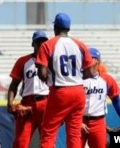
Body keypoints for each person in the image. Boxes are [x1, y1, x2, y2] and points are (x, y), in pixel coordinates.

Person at [35, 12, 95, 148]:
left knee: (49, 131)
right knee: (74, 133)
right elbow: (90, 72)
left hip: (60, 91)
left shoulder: (47, 45)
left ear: (55, 27)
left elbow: (42, 74)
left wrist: (49, 76)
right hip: (79, 91)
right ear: (68, 28)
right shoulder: (80, 44)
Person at [7, 31, 49, 148]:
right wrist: (10, 103)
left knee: (48, 143)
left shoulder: (52, 61)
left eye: (44, 42)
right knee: (20, 143)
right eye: (38, 42)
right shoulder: (23, 61)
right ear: (33, 44)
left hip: (46, 103)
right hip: (27, 104)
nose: (41, 44)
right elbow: (14, 84)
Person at [81, 48, 120, 148]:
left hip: (98, 122)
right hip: (79, 121)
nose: (89, 62)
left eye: (93, 59)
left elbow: (116, 100)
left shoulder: (106, 79)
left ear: (98, 62)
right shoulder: (77, 78)